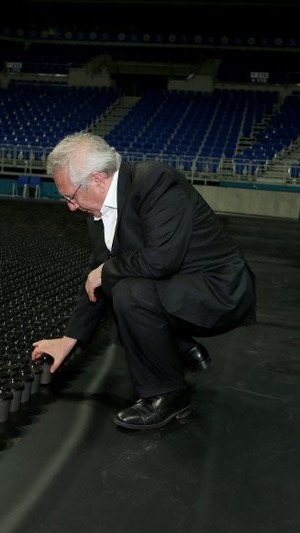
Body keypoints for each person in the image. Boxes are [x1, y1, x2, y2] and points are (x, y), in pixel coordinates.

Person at [30, 132, 257, 431]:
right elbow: (95, 277)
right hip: (179, 287)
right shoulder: (98, 214)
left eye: (71, 196)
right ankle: (179, 347)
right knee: (114, 293)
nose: (70, 206)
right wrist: (69, 340)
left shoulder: (154, 182)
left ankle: (166, 395)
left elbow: (162, 258)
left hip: (218, 289)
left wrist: (105, 272)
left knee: (127, 293)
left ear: (97, 179)